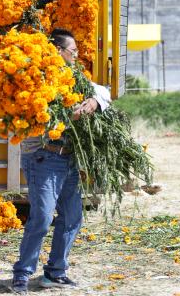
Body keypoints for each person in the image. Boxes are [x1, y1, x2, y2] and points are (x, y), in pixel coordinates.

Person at [11, 28, 111, 294]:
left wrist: (94, 101)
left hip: (67, 159)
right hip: (43, 157)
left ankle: (55, 272)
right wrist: (70, 117)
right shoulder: (37, 79)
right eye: (73, 52)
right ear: (58, 51)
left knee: (72, 217)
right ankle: (22, 273)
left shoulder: (73, 77)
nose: (77, 56)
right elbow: (38, 123)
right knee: (42, 218)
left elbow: (105, 92)